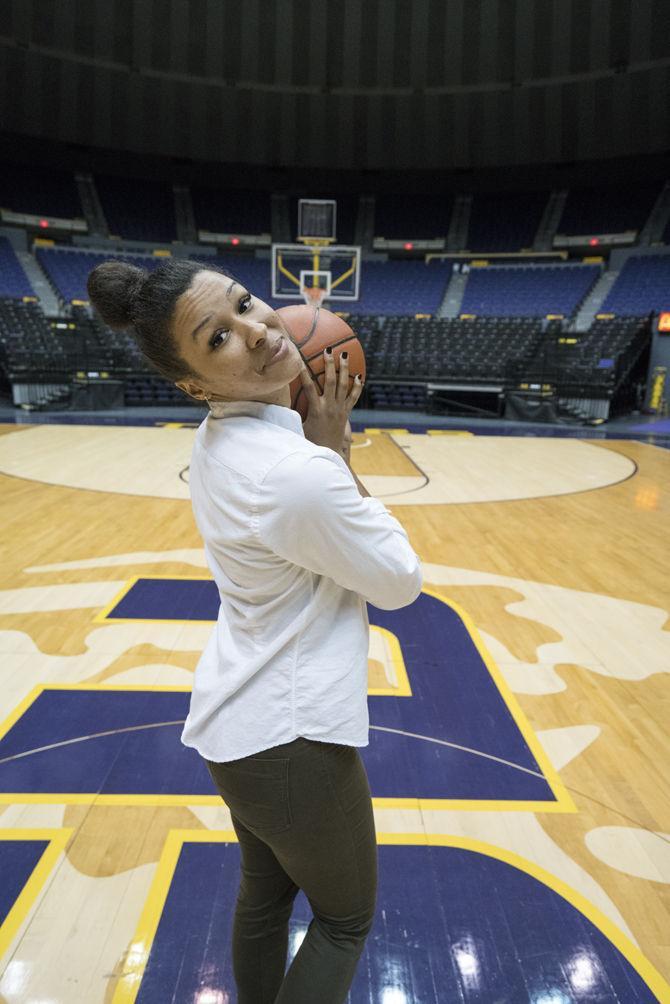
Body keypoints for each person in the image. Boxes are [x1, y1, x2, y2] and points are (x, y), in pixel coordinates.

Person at [87, 258, 423, 1004]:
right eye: (219, 337)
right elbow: (399, 582)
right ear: (194, 384)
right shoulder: (293, 470)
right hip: (291, 737)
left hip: (241, 729)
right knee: (344, 921)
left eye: (245, 303)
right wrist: (333, 452)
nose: (259, 330)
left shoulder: (220, 441)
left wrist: (316, 450)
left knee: (264, 897)